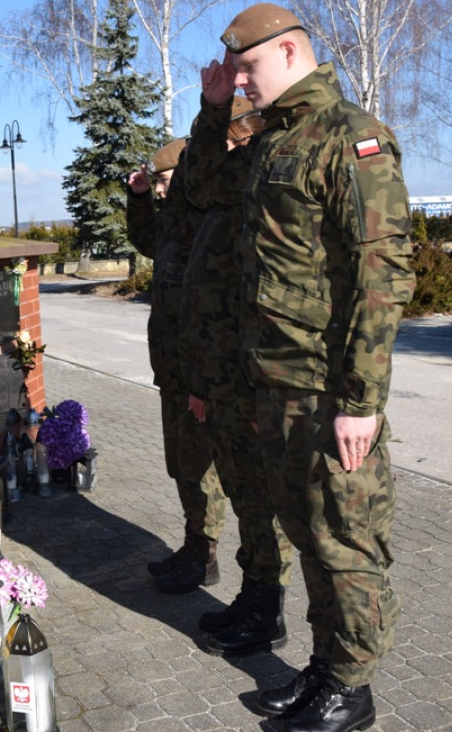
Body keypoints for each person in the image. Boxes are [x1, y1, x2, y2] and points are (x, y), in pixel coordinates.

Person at [202, 4, 416, 732]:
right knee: (307, 529)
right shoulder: (268, 143)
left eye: (249, 69)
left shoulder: (351, 137)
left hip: (329, 387)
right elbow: (205, 202)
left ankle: (352, 688)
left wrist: (362, 398)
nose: (242, 84)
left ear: (290, 52)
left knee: (344, 539)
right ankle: (326, 668)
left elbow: (381, 273)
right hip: (276, 383)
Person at [177, 96, 295, 656]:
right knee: (246, 498)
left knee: (263, 501)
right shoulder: (220, 202)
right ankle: (253, 595)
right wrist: (202, 382)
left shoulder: (255, 195)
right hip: (220, 378)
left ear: (246, 138)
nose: (211, 153)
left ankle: (267, 608)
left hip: (249, 381)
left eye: (222, 139)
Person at [126, 138, 226, 594]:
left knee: (202, 469)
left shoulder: (206, 224)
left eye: (164, 181)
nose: (163, 190)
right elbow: (147, 239)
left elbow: (209, 309)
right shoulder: (176, 224)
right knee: (181, 465)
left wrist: (201, 381)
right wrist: (141, 197)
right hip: (171, 372)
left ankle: (205, 554)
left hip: (195, 376)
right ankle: (192, 543)